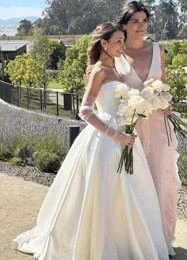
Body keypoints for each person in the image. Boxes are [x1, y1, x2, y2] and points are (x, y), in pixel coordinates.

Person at [13, 23, 170, 260]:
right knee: (103, 194)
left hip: (127, 138)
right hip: (105, 141)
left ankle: (127, 244)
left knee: (131, 193)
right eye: (118, 41)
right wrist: (116, 135)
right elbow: (85, 111)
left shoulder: (118, 68)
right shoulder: (99, 71)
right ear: (103, 44)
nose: (123, 45)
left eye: (122, 40)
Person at [87, 1, 181, 256]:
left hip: (159, 127)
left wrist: (166, 102)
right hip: (129, 128)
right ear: (124, 25)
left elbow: (163, 84)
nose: (141, 26)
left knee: (160, 180)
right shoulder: (115, 52)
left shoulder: (158, 50)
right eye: (135, 21)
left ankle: (160, 240)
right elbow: (101, 82)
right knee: (134, 183)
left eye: (144, 20)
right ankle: (132, 240)